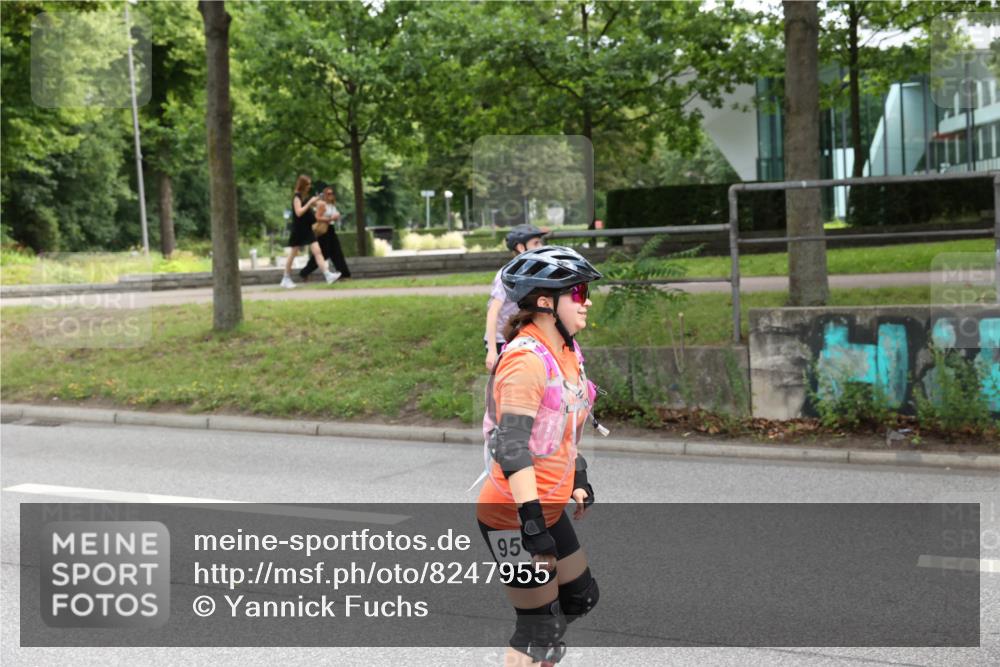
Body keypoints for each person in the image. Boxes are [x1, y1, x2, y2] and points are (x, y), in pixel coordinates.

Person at [475, 246, 608, 667]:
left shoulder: (567, 352)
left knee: (580, 598)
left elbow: (566, 423)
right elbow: (511, 447)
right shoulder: (524, 362)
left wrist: (578, 476)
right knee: (537, 628)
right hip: (512, 513)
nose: (586, 301)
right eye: (579, 291)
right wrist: (532, 527)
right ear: (547, 302)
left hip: (545, 505)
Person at [484, 224, 548, 372]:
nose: (541, 246)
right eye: (536, 243)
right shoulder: (506, 275)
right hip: (501, 340)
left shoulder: (534, 271)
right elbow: (493, 312)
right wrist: (492, 351)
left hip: (523, 336)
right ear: (520, 247)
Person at [281, 175, 339, 288]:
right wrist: (309, 203)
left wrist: (317, 201)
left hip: (307, 228)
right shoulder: (296, 197)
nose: (309, 186)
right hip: (298, 230)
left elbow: (310, 206)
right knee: (293, 254)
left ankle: (328, 275)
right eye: (307, 184)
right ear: (302, 185)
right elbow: (299, 212)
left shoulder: (304, 196)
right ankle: (285, 278)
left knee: (317, 251)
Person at [300, 187, 351, 282]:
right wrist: (331, 219)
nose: (330, 195)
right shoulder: (322, 205)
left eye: (331, 193)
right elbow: (317, 217)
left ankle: (344, 274)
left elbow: (334, 216)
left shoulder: (332, 205)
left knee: (337, 252)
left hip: (331, 230)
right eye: (328, 194)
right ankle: (304, 272)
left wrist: (337, 217)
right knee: (323, 253)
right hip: (324, 231)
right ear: (324, 195)